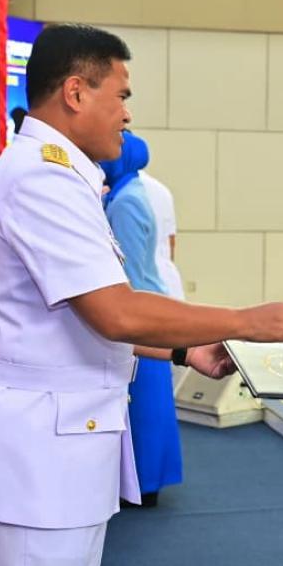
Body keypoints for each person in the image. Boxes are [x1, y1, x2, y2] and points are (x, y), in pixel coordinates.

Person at [0, 24, 283, 566]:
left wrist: (181, 351)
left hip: (63, 437)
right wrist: (243, 321)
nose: (127, 111)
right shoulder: (42, 177)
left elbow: (77, 317)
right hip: (39, 446)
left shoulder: (66, 175)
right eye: (119, 94)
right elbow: (115, 312)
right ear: (74, 92)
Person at [102, 131, 182, 506]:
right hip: (148, 305)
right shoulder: (130, 192)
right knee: (147, 402)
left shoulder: (125, 202)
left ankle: (144, 481)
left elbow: (127, 269)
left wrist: (121, 319)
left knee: (144, 405)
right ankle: (145, 480)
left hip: (140, 313)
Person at [140, 168, 185, 301]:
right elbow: (170, 241)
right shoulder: (161, 190)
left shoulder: (122, 192)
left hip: (142, 283)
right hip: (167, 278)